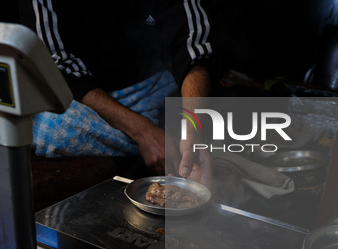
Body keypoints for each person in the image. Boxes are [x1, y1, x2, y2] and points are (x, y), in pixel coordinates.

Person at [18, 0, 220, 186]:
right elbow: (57, 67)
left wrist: (193, 127)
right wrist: (144, 132)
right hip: (89, 102)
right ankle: (166, 142)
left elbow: (195, 46)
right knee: (47, 128)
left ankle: (179, 142)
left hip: (156, 86)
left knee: (212, 101)